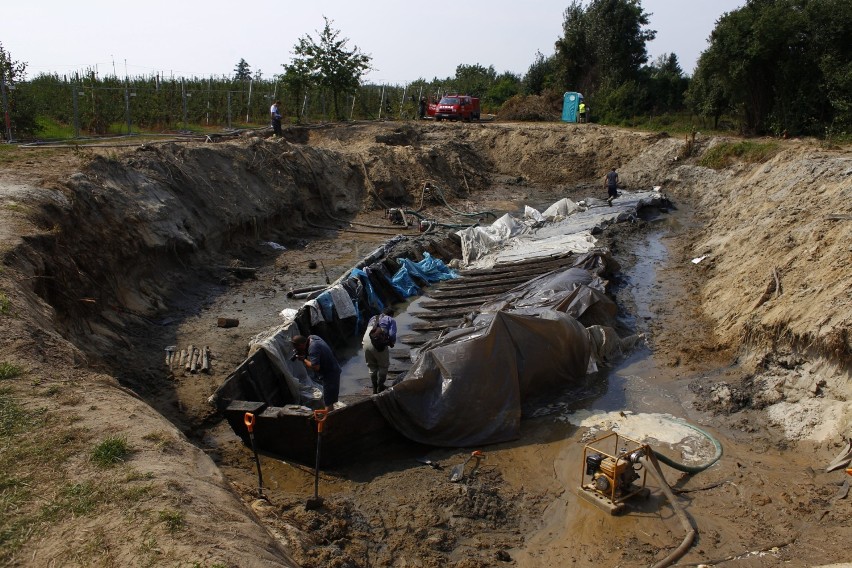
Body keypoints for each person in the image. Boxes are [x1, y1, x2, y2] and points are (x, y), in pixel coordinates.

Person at [291, 334, 341, 410]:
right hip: (332, 367)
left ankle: (330, 417)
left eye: (297, 348)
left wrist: (304, 359)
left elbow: (315, 367)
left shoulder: (313, 348)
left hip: (331, 374)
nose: (297, 350)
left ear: (301, 345)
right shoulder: (313, 337)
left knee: (328, 402)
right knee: (329, 396)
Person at [362, 307, 397, 394]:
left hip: (365, 341)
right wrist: (391, 343)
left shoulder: (373, 317)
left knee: (372, 366)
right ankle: (380, 386)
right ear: (392, 315)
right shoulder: (391, 319)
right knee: (383, 366)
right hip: (378, 343)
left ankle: (374, 387)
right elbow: (392, 335)